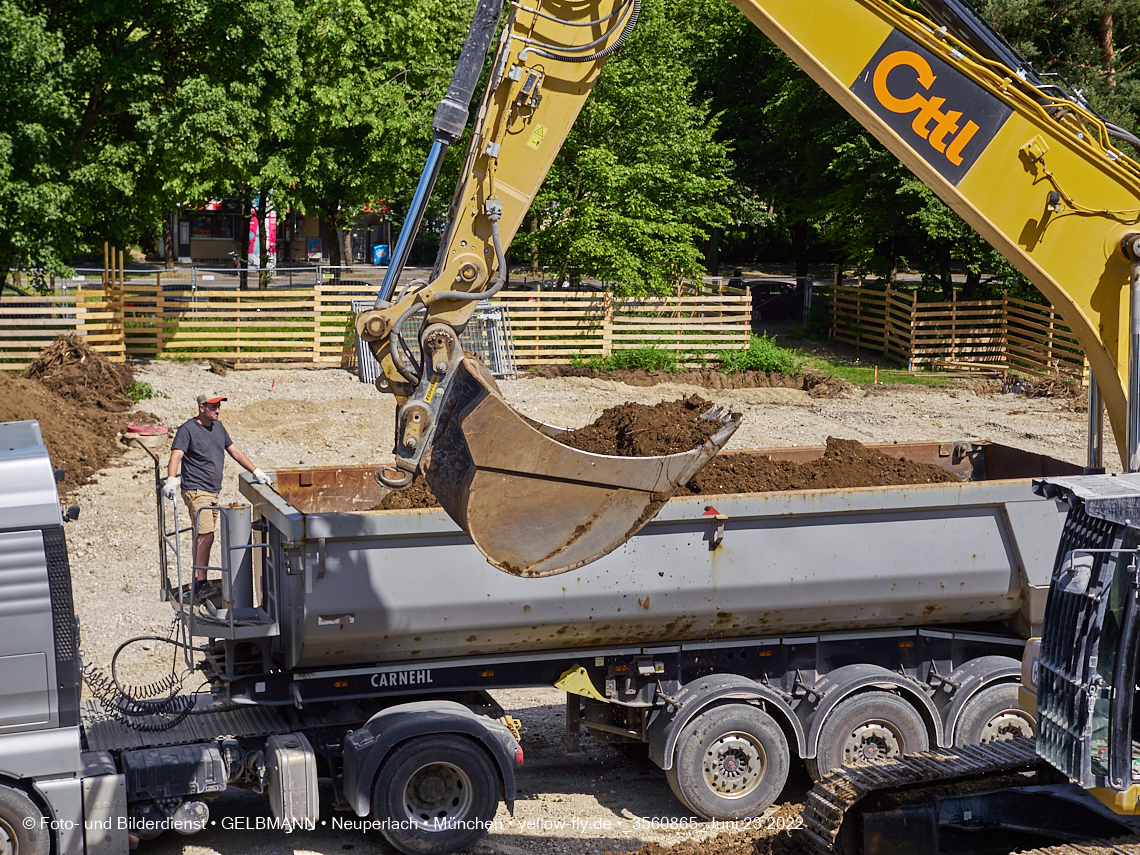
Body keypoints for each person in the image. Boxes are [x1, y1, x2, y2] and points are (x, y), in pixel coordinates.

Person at [163, 393, 273, 602]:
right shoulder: (187, 430)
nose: (218, 410)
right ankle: (200, 584)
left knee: (203, 534)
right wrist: (171, 479)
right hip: (196, 490)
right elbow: (176, 455)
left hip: (213, 490)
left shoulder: (218, 428)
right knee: (206, 534)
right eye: (213, 406)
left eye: (219, 406)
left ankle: (199, 579)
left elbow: (235, 451)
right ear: (201, 407)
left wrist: (256, 471)